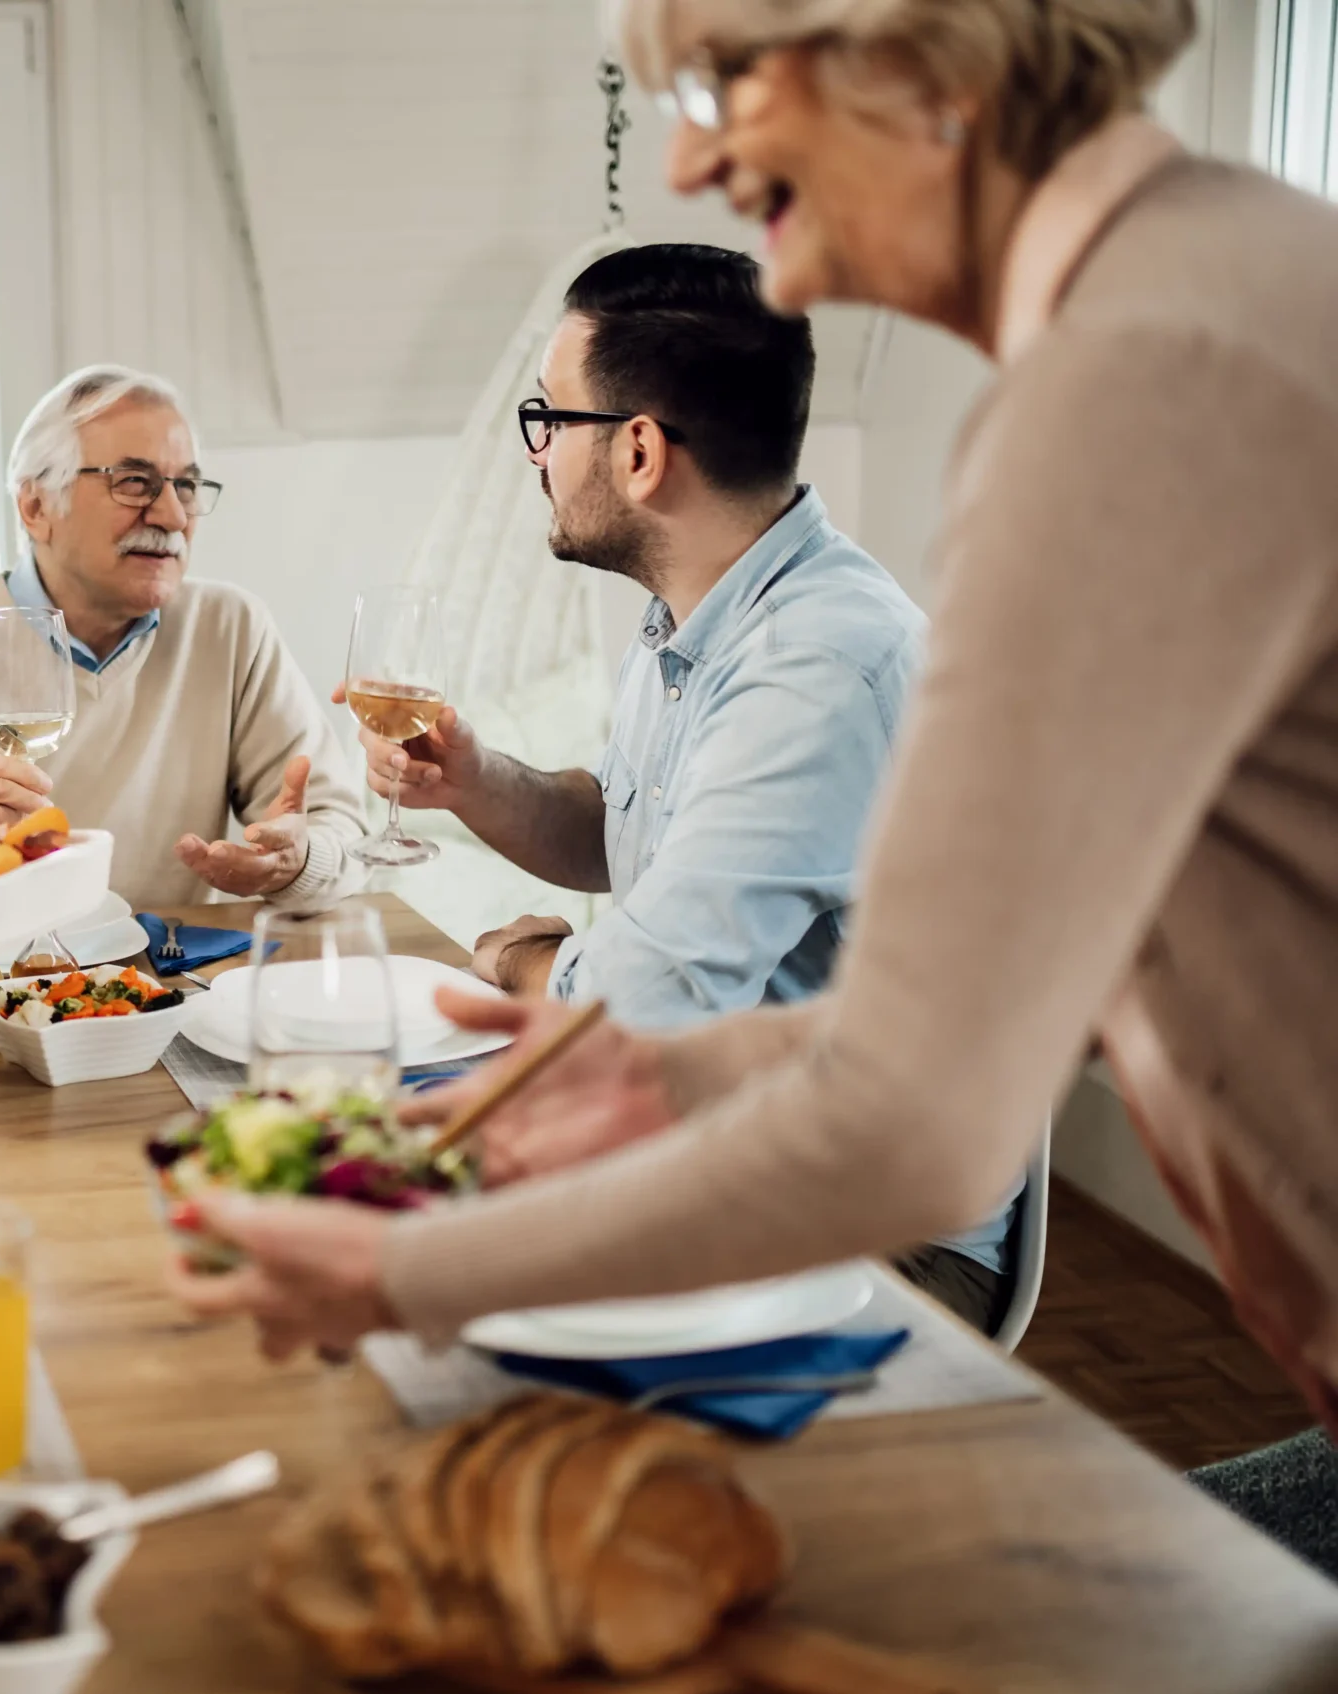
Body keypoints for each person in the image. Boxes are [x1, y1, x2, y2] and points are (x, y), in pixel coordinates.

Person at [166, 0, 1338, 1410]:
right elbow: (1019, 992)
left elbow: (918, 1112)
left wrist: (405, 1270)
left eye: (726, 80)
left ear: (915, 55)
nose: (685, 164)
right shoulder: (1226, 280)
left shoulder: (1123, 391)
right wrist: (644, 1058)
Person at [353, 243, 1008, 1326]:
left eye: (549, 422)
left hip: (877, 1241)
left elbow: (634, 1013)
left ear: (642, 451)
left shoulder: (817, 669)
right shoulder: (697, 615)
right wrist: (475, 780)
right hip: (725, 1152)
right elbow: (618, 832)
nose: (537, 457)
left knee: (409, 1286)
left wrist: (519, 961)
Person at [0, 364, 369, 907]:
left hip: (158, 983)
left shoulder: (231, 629)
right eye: (133, 482)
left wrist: (296, 862)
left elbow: (340, 829)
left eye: (186, 485)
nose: (173, 516)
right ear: (34, 507)